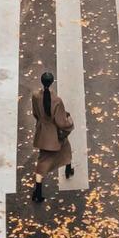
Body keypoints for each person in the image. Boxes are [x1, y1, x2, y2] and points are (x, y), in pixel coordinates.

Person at [31, 71, 74, 202]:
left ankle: (38, 192)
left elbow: (35, 113)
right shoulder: (57, 101)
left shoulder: (35, 96)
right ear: (52, 82)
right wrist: (69, 121)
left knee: (44, 160)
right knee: (65, 149)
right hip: (55, 135)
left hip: (43, 134)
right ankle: (68, 169)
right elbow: (61, 122)